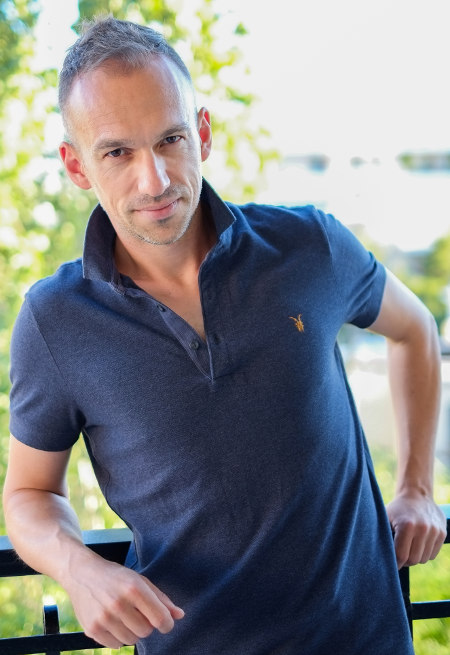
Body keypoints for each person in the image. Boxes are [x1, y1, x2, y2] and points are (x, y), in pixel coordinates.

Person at [3, 15, 447, 655]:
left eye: (170, 139)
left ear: (203, 134)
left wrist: (417, 489)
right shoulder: (55, 319)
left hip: (366, 639)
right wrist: (78, 568)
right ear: (76, 165)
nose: (155, 180)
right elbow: (29, 494)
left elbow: (416, 330)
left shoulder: (310, 246)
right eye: (118, 153)